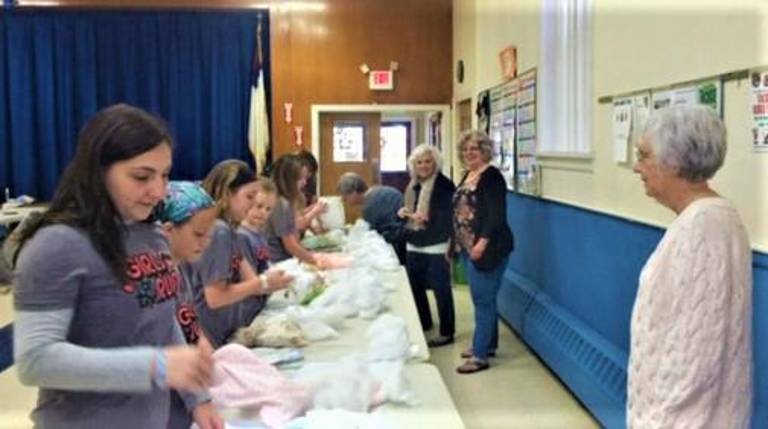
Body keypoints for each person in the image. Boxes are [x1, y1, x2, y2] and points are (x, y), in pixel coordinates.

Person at [12, 104, 220, 429]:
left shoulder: (152, 235)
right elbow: (35, 361)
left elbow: (162, 323)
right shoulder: (57, 245)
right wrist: (157, 366)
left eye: (164, 175)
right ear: (99, 171)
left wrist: (197, 397)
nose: (159, 191)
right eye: (141, 176)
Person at [628, 105, 752, 428]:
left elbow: (694, 356)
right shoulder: (717, 217)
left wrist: (657, 422)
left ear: (675, 162)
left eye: (644, 156)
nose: (636, 167)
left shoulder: (701, 227)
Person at [195, 160, 292, 347]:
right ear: (227, 193)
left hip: (220, 329)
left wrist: (270, 283)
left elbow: (251, 279)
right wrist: (264, 282)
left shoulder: (229, 231)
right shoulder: (218, 230)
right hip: (211, 332)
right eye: (249, 197)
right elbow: (215, 297)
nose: (253, 204)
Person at [155, 181, 223, 429]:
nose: (205, 243)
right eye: (198, 234)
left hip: (190, 393)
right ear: (168, 231)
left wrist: (203, 344)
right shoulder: (155, 280)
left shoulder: (183, 268)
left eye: (209, 235)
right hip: (169, 398)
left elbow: (189, 320)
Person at [452, 130, 513, 374]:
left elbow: (495, 214)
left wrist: (482, 243)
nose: (469, 154)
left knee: (482, 300)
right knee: (485, 299)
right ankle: (488, 344)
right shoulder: (469, 175)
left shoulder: (492, 177)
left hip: (489, 249)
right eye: (465, 150)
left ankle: (479, 356)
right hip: (468, 246)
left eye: (474, 149)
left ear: (485, 151)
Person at [397, 144, 456, 347]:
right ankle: (424, 322)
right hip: (414, 243)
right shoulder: (412, 186)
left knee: (441, 290)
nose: (423, 166)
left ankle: (447, 332)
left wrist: (425, 219)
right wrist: (404, 214)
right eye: (419, 162)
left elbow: (447, 220)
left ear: (436, 163)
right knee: (415, 287)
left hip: (436, 245)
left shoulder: (445, 186)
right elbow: (411, 212)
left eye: (428, 161)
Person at [336, 172, 407, 264]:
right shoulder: (382, 191)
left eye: (345, 197)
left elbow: (374, 235)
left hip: (395, 248)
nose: (344, 201)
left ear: (353, 192)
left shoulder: (370, 205)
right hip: (405, 241)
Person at [264, 154, 320, 264]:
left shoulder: (286, 202)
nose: (304, 182)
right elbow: (290, 245)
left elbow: (294, 237)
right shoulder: (281, 204)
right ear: (289, 180)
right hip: (278, 263)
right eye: (300, 179)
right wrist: (315, 260)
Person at [238, 179, 278, 276]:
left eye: (268, 209)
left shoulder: (260, 233)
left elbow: (265, 262)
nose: (264, 212)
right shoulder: (242, 237)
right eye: (259, 206)